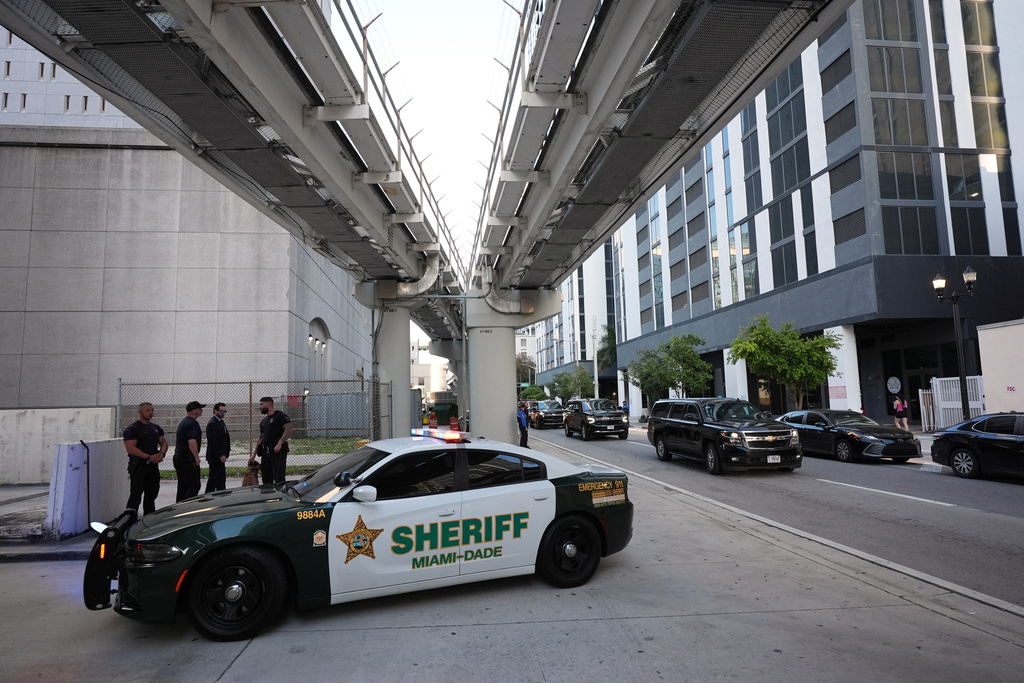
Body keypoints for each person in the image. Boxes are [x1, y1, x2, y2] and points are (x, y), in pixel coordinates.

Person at [123, 402, 167, 515]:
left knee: (151, 495)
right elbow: (130, 448)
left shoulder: (155, 428)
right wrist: (148, 457)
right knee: (135, 496)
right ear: (140, 412)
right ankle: (129, 521)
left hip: (152, 468)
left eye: (152, 410)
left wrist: (161, 454)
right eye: (147, 410)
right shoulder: (132, 429)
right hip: (139, 467)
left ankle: (149, 519)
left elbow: (163, 442)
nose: (150, 412)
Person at [249, 397, 293, 485]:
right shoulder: (264, 421)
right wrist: (253, 455)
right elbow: (261, 438)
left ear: (268, 405)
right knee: (266, 476)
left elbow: (289, 429)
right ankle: (267, 496)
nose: (259, 407)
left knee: (278, 477)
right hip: (266, 452)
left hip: (277, 452)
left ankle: (280, 496)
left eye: (261, 404)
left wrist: (280, 443)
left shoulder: (280, 416)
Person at [173, 401, 204, 502]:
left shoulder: (184, 422)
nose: (201, 410)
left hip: (179, 457)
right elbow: (192, 442)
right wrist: (196, 457)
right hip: (187, 458)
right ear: (194, 411)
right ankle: (187, 508)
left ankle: (179, 508)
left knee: (183, 486)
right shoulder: (192, 423)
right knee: (194, 485)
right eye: (199, 409)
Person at [204, 402, 230, 493]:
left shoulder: (221, 422)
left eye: (225, 411)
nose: (224, 413)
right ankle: (208, 497)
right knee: (213, 479)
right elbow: (213, 442)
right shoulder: (212, 423)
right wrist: (220, 455)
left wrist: (225, 453)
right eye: (222, 411)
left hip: (221, 457)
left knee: (221, 479)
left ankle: (221, 495)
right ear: (215, 411)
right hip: (215, 457)